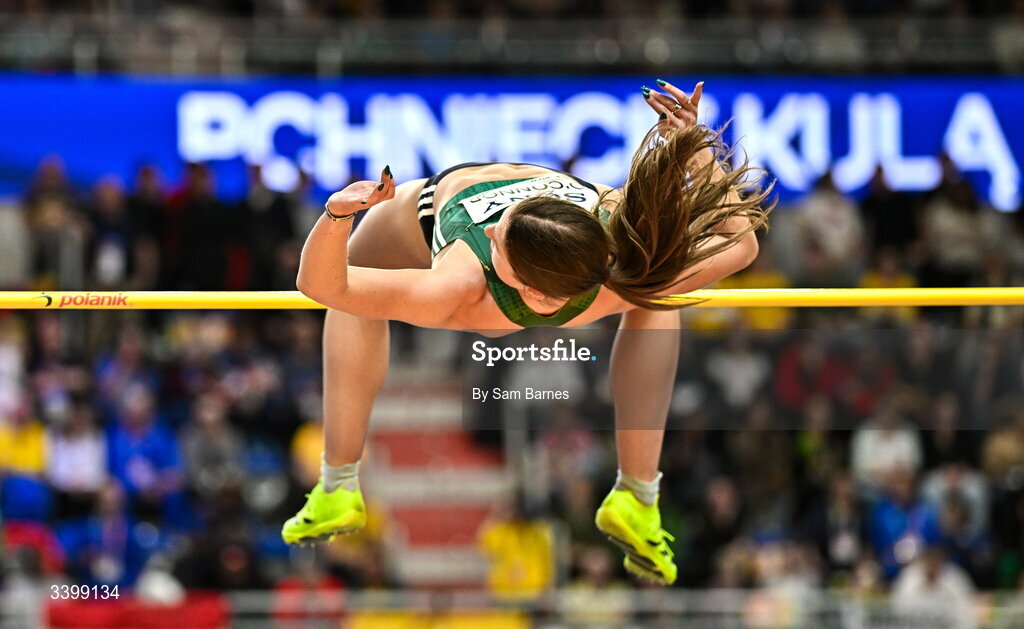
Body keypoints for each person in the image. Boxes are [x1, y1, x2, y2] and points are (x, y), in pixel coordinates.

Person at [281, 79, 773, 585]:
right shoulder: (623, 256)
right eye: (499, 229)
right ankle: (638, 496)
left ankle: (338, 483)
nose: (491, 230)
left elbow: (321, 282)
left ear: (535, 295)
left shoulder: (461, 280)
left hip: (431, 214)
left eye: (500, 241)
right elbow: (742, 245)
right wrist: (694, 150)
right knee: (656, 284)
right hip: (490, 216)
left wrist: (338, 214)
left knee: (359, 292)